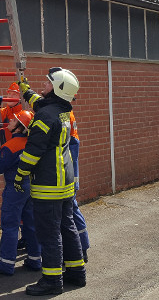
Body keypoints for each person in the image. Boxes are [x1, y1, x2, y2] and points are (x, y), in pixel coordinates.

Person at [15, 67, 86, 295]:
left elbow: (32, 152)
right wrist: (26, 91)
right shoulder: (61, 111)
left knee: (49, 233)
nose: (43, 86)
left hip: (49, 184)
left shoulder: (45, 117)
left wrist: (19, 175)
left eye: (47, 84)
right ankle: (76, 273)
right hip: (64, 181)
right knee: (67, 226)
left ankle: (52, 280)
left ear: (57, 90)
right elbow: (40, 102)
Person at [0, 109, 42, 275]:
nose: (10, 121)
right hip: (30, 187)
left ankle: (6, 265)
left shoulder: (10, 147)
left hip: (14, 189)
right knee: (31, 224)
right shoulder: (31, 144)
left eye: (14, 120)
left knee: (10, 225)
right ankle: (35, 260)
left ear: (19, 127)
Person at [68, 111, 90, 262]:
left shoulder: (71, 140)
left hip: (68, 182)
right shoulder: (67, 113)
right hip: (69, 180)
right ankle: (81, 248)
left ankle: (82, 248)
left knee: (72, 210)